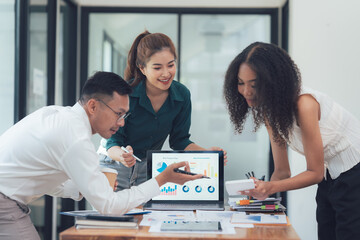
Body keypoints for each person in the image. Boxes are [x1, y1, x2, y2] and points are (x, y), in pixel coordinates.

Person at [0, 71, 203, 240]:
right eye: (118, 114)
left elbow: (40, 174)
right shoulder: (76, 138)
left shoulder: (58, 115)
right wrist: (162, 179)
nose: (122, 122)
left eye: (125, 116)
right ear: (93, 106)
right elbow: (109, 206)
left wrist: (83, 187)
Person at [223, 42, 360, 240]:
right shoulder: (269, 110)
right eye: (241, 83)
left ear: (273, 80)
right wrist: (260, 197)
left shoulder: (304, 104)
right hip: (331, 175)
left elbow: (315, 173)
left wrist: (270, 187)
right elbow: (281, 172)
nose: (246, 91)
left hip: (354, 171)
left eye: (254, 84)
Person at [99, 30, 227, 191]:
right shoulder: (126, 95)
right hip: (114, 164)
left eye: (171, 65)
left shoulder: (182, 95)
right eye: (157, 67)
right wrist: (123, 156)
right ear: (142, 68)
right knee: (114, 213)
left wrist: (207, 153)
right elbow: (112, 143)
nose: (166, 73)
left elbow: (179, 140)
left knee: (145, 215)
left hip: (147, 168)